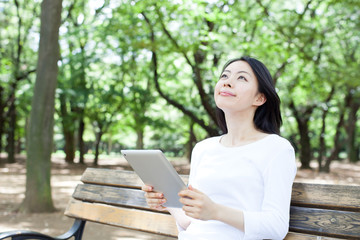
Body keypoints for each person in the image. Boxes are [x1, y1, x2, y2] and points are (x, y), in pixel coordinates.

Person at [142, 56, 297, 239]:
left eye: (241, 78)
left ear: (260, 97)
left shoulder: (276, 149)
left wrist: (215, 211)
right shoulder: (203, 148)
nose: (227, 83)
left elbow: (276, 226)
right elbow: (192, 223)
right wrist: (166, 200)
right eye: (224, 76)